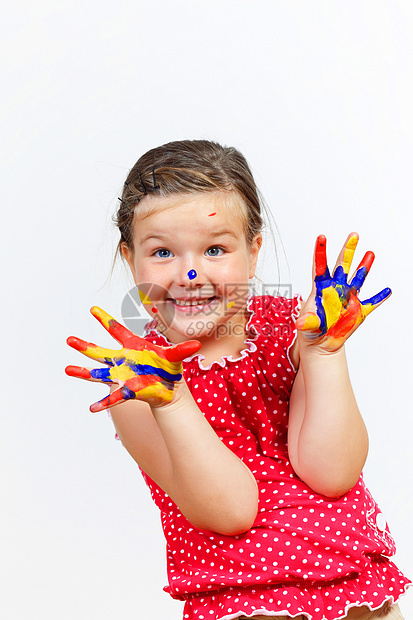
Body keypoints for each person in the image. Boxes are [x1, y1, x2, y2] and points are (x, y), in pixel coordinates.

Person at [66, 140, 411, 620]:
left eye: (214, 249)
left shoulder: (295, 331)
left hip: (357, 597)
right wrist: (172, 401)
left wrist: (324, 352)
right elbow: (231, 512)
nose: (190, 273)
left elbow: (332, 474)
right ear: (130, 258)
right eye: (162, 251)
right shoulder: (137, 386)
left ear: (253, 251)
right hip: (242, 604)